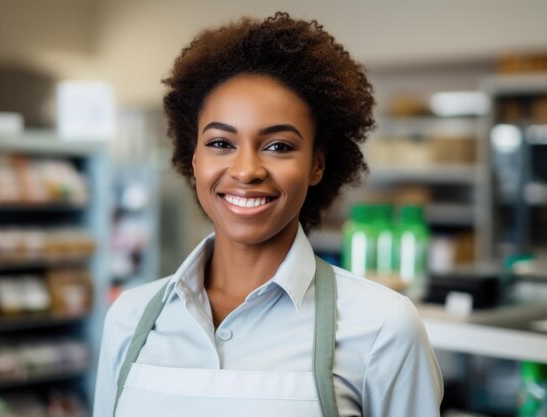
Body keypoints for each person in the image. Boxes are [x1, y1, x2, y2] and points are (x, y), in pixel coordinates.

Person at [94, 12, 443, 417]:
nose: (245, 170)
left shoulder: (383, 328)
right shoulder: (130, 317)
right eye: (221, 142)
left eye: (278, 146)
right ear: (194, 159)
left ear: (317, 165)